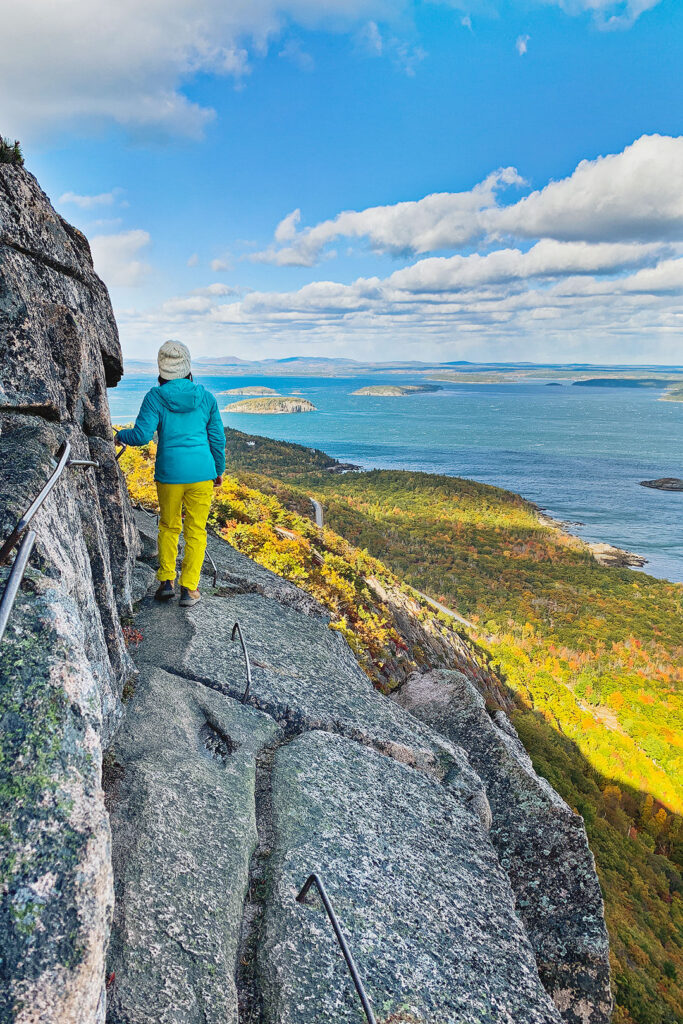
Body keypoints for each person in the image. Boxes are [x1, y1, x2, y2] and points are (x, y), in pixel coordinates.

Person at [116, 340, 225, 607]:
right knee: (196, 531)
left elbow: (141, 436)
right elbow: (217, 440)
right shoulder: (206, 398)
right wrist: (218, 470)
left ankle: (166, 581)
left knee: (168, 526)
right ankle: (189, 589)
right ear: (188, 369)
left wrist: (120, 435)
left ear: (161, 371)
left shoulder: (155, 396)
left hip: (169, 474)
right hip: (202, 475)